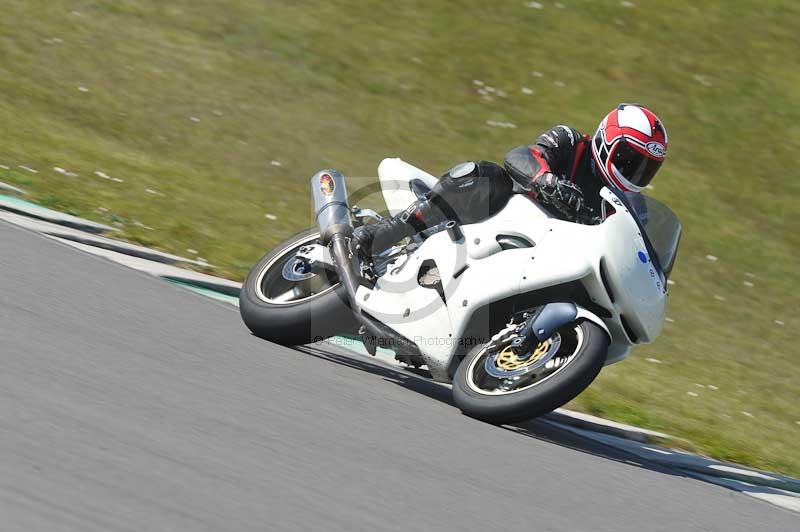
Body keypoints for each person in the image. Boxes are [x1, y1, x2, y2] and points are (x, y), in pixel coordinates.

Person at [353, 103, 668, 258]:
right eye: (630, 159)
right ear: (607, 142)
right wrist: (546, 181)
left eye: (645, 167)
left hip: (545, 255)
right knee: (485, 176)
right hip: (499, 219)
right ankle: (388, 232)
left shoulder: (632, 208)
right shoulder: (572, 143)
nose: (634, 171)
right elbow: (520, 156)